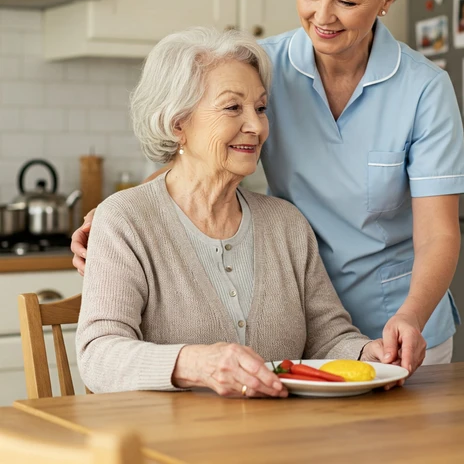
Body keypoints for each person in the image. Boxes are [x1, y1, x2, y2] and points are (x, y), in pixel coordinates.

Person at [72, 0, 464, 375]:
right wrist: (123, 214)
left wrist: (408, 316)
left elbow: (438, 233)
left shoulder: (423, 89)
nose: (323, 16)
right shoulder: (263, 67)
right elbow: (200, 149)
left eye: (346, 1)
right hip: (299, 319)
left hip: (391, 325)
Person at [76, 27, 390, 398]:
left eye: (260, 108)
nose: (256, 126)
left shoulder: (286, 223)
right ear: (178, 123)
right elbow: (98, 356)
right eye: (232, 108)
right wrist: (194, 365)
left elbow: (328, 338)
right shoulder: (126, 221)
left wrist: (370, 355)